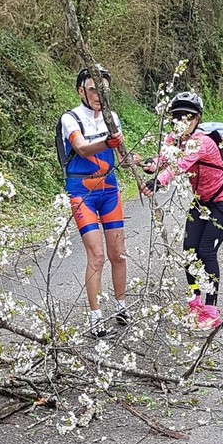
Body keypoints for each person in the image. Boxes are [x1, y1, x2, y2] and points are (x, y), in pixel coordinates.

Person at [141, 91, 223, 330]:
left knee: (206, 251)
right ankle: (195, 302)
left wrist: (158, 181)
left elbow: (179, 164)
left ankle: (211, 309)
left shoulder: (201, 142)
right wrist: (148, 165)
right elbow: (164, 159)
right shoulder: (173, 140)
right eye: (177, 116)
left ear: (197, 119)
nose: (182, 121)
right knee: (188, 251)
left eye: (188, 116)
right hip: (201, 200)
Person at [60, 65, 136, 338]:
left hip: (109, 190)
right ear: (81, 91)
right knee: (97, 255)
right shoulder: (70, 118)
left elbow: (123, 160)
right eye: (93, 89)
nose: (98, 95)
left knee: (118, 254)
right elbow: (81, 148)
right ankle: (95, 316)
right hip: (82, 193)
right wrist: (107, 143)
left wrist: (141, 163)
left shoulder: (111, 117)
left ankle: (121, 306)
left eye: (103, 90)